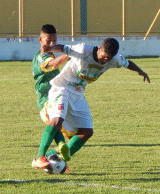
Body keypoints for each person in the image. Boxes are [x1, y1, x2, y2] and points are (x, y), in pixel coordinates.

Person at [32, 37, 150, 169]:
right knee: (57, 120)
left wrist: (141, 72)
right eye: (103, 56)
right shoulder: (83, 50)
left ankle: (57, 160)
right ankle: (40, 157)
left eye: (108, 58)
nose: (104, 60)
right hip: (62, 87)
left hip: (78, 93)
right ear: (99, 49)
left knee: (86, 131)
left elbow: (128, 63)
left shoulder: (114, 59)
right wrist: (50, 48)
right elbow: (63, 48)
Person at [31, 24, 74, 165]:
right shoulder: (41, 58)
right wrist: (71, 53)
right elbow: (53, 64)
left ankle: (54, 157)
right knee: (54, 122)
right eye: (48, 40)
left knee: (65, 130)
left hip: (57, 96)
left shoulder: (49, 54)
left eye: (54, 41)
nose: (51, 44)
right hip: (46, 99)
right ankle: (41, 157)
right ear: (40, 40)